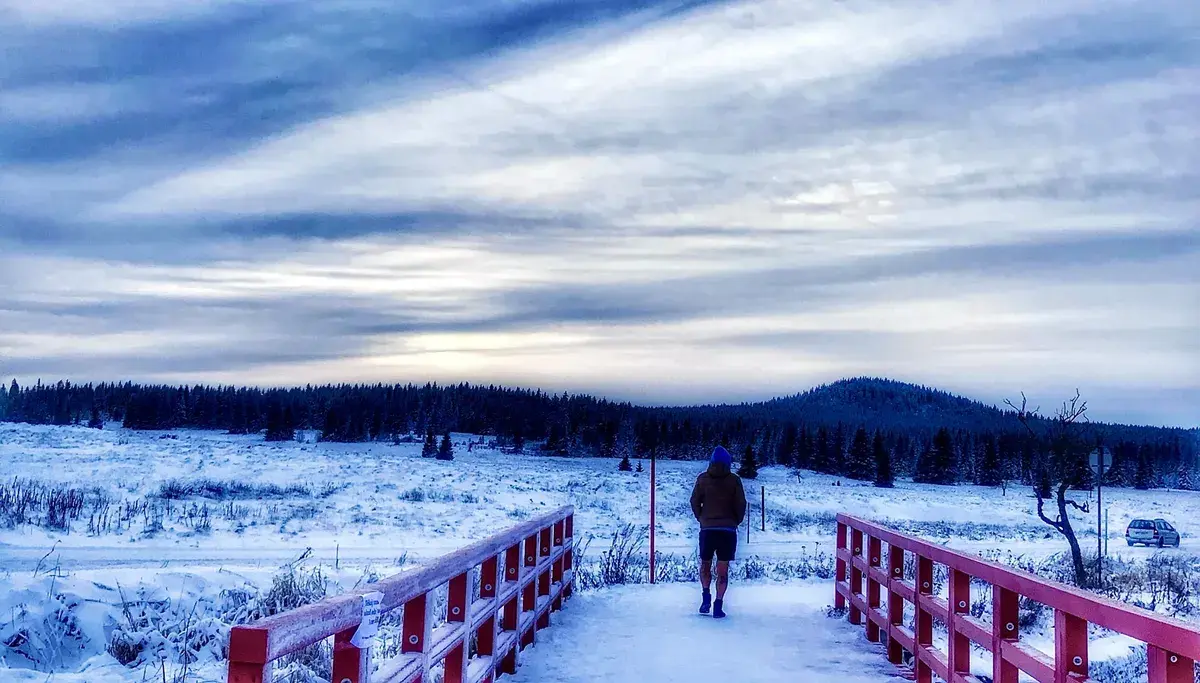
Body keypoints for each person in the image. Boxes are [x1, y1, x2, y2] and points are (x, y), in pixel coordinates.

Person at [689, 445, 746, 618]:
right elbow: (741, 504)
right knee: (722, 569)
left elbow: (694, 501)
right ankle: (718, 605)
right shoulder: (734, 480)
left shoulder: (703, 479)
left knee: (705, 563)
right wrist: (735, 520)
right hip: (727, 530)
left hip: (707, 529)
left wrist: (702, 518)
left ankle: (706, 595)